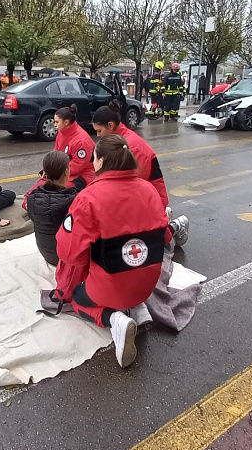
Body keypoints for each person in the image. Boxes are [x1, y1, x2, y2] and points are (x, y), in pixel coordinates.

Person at [50, 135, 171, 368]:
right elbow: (164, 236)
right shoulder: (149, 190)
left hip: (109, 290)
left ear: (102, 162)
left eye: (94, 158)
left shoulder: (88, 199)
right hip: (147, 285)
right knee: (130, 267)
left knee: (77, 298)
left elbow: (68, 253)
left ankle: (114, 320)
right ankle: (139, 308)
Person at [92, 101, 170, 210]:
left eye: (99, 131)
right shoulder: (117, 141)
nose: (98, 135)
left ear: (110, 125)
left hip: (150, 205)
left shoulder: (132, 147)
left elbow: (132, 185)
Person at [27, 150, 78, 265]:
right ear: (66, 172)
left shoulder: (32, 197)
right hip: (66, 258)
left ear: (44, 172)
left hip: (46, 254)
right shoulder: (74, 200)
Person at [53, 105, 95, 189]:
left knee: (58, 189)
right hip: (65, 171)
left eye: (57, 122)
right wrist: (49, 168)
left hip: (84, 174)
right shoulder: (62, 133)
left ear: (66, 122)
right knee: (43, 183)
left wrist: (56, 171)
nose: (54, 125)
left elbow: (78, 164)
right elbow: (56, 153)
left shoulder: (81, 141)